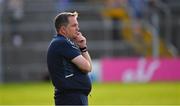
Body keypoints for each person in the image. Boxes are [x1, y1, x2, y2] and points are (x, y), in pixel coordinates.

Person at [47, 11, 92, 105]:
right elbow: (87, 67)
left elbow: (88, 68)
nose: (78, 29)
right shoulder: (62, 43)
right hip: (71, 98)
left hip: (71, 97)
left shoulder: (61, 42)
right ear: (63, 29)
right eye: (74, 25)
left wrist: (83, 47)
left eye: (77, 25)